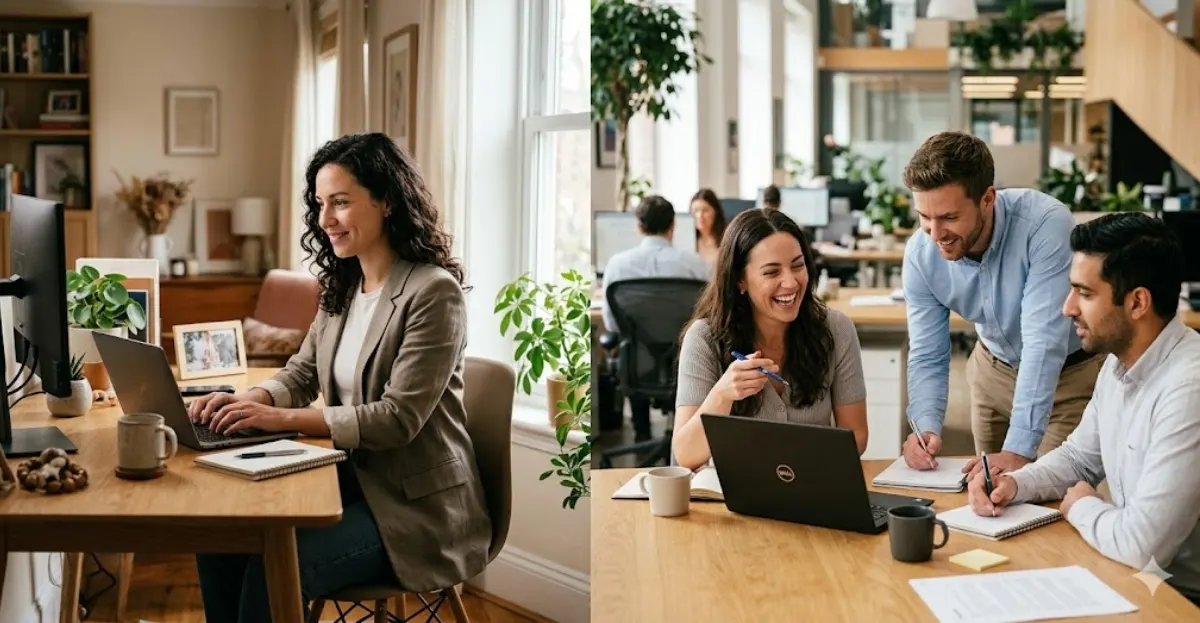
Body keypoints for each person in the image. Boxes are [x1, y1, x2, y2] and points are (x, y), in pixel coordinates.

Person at [185, 133, 491, 622]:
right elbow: (303, 371)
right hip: (354, 483)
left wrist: (277, 417)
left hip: (418, 512)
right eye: (321, 204)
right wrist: (248, 400)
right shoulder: (344, 286)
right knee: (221, 537)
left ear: (387, 200)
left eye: (341, 203)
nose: (326, 219)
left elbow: (397, 419)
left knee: (272, 568)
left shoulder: (434, 293)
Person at [968, 213, 1200, 605]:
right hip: (1135, 580)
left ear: (1137, 302)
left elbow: (1142, 546)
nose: (1067, 307)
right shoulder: (1119, 362)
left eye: (1084, 293)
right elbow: (1079, 458)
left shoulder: (1188, 387)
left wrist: (1081, 506)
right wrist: (1017, 483)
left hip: (1179, 597)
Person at [900, 131, 1103, 476]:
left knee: (1047, 499)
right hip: (991, 374)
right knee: (989, 499)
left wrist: (1019, 448)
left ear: (987, 199)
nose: (935, 234)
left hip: (1065, 380)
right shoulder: (921, 254)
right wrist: (924, 427)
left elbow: (1043, 342)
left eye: (949, 218)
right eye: (924, 218)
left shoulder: (1044, 224)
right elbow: (927, 352)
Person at [672, 209, 868, 470]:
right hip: (734, 499)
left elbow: (856, 436)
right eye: (772, 272)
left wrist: (789, 471)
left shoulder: (836, 329)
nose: (790, 282)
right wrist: (722, 394)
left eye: (798, 266)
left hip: (812, 487)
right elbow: (685, 455)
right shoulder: (704, 338)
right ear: (740, 280)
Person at [602, 194, 710, 441]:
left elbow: (611, 325)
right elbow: (709, 319)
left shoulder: (617, 265)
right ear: (673, 226)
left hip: (638, 365)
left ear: (639, 226)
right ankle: (678, 436)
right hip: (686, 364)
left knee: (634, 348)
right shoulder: (697, 266)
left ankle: (642, 434)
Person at [690, 188, 728, 266]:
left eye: (705, 210)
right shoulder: (686, 241)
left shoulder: (726, 239)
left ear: (715, 212)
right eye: (695, 211)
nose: (700, 216)